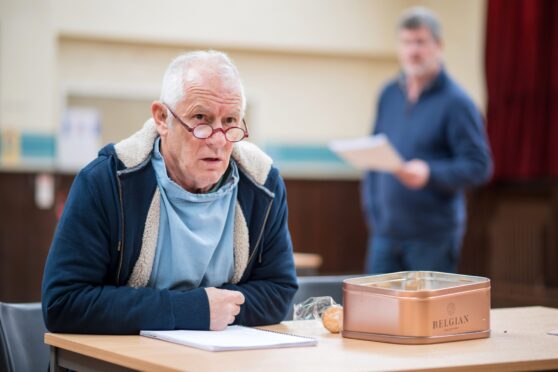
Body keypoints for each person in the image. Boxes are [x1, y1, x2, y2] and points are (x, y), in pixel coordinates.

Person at [41, 50, 298, 334]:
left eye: (230, 121)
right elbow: (63, 303)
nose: (218, 140)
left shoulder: (263, 184)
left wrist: (217, 310)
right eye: (201, 118)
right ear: (162, 118)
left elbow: (279, 291)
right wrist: (194, 309)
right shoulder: (106, 182)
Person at [361, 7, 492, 274]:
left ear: (438, 45)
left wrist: (430, 173)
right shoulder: (388, 94)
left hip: (432, 238)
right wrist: (374, 215)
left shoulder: (457, 102)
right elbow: (374, 155)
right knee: (374, 313)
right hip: (384, 234)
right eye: (406, 42)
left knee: (425, 316)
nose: (413, 51)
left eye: (420, 42)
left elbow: (479, 166)